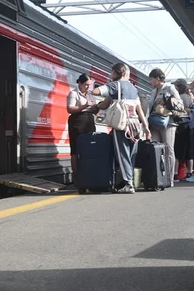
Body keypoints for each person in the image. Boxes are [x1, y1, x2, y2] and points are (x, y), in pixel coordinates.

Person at [91, 63, 151, 194]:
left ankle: (128, 184)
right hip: (135, 125)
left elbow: (95, 91)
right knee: (131, 155)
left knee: (122, 154)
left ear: (117, 72)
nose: (110, 74)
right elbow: (139, 109)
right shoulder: (133, 88)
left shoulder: (114, 85)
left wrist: (100, 87)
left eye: (112, 72)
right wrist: (146, 128)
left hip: (122, 125)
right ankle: (131, 181)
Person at [146, 68, 182, 187]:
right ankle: (159, 178)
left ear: (157, 79)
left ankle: (169, 179)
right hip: (154, 123)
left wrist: (167, 102)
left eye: (151, 79)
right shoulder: (153, 92)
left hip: (168, 122)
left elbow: (180, 104)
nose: (150, 82)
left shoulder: (170, 88)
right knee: (156, 149)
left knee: (168, 149)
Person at [67, 73, 98, 185]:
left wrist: (96, 108)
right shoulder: (73, 93)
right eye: (85, 84)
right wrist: (84, 106)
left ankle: (88, 175)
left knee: (89, 149)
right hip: (77, 122)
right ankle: (76, 177)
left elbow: (94, 110)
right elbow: (70, 109)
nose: (88, 87)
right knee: (75, 150)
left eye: (89, 85)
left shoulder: (90, 94)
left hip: (89, 121)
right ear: (79, 83)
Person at [172, 79, 194, 180]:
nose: (175, 88)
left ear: (180, 87)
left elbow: (175, 112)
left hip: (180, 126)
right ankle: (190, 172)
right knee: (189, 152)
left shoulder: (178, 97)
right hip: (189, 126)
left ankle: (175, 174)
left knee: (177, 151)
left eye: (176, 86)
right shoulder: (190, 98)